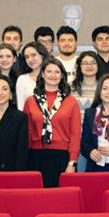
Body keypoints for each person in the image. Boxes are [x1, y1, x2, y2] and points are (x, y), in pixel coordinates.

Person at [24, 58, 82, 187]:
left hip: (62, 157)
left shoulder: (71, 101)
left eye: (57, 72)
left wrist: (72, 162)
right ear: (42, 74)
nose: (53, 75)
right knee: (36, 196)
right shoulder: (30, 101)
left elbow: (75, 134)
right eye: (49, 71)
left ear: (62, 76)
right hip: (36, 156)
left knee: (60, 197)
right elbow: (28, 132)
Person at [16, 41, 49, 109]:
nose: (30, 59)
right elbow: (21, 107)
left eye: (33, 55)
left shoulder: (52, 77)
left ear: (42, 55)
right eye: (27, 57)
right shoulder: (22, 79)